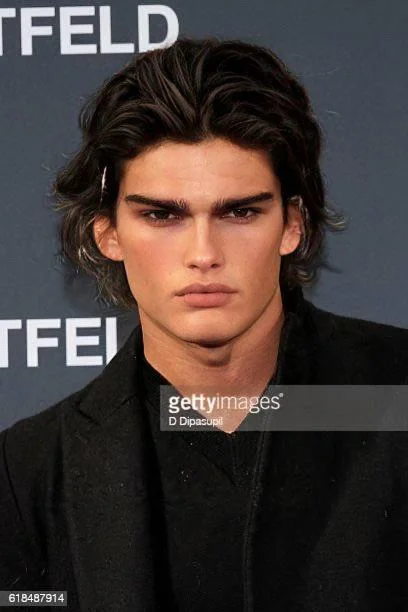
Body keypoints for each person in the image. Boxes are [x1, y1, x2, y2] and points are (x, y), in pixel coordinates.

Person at [1, 36, 408, 612]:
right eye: (161, 215)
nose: (203, 253)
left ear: (292, 225)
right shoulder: (30, 472)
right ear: (108, 234)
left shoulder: (396, 394)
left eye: (239, 212)